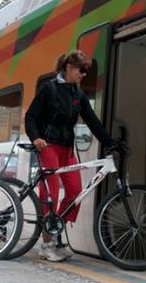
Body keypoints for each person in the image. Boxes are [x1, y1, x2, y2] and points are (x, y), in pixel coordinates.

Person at [25, 50, 116, 262]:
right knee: (52, 194)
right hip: (48, 146)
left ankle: (55, 232)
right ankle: (46, 243)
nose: (84, 74)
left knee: (75, 192)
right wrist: (36, 137)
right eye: (81, 70)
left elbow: (92, 121)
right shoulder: (49, 88)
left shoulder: (78, 93)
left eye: (87, 71)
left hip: (67, 149)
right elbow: (30, 116)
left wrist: (110, 142)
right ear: (68, 67)